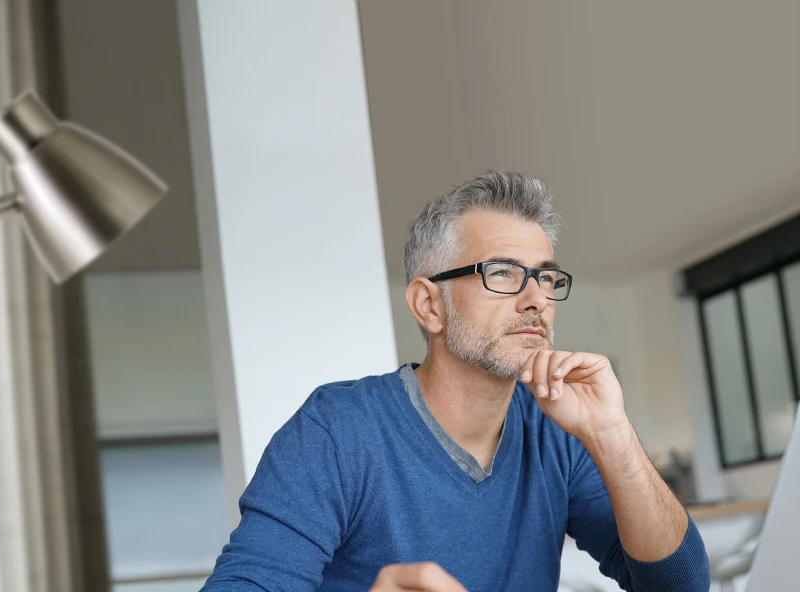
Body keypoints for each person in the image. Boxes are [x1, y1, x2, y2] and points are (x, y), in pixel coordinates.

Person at [200, 172, 709, 591]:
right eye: (504, 273)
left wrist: (613, 435)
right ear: (429, 306)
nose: (537, 300)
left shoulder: (560, 432)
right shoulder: (336, 432)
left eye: (546, 278)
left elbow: (679, 586)